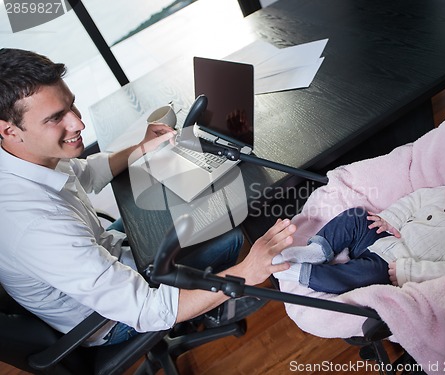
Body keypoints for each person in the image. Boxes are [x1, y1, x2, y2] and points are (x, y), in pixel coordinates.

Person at [0, 48, 295, 346]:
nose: (78, 124)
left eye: (71, 106)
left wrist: (141, 147)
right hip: (108, 321)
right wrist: (247, 272)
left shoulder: (26, 156)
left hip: (103, 256)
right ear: (9, 130)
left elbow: (86, 173)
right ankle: (210, 312)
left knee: (199, 207)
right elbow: (147, 310)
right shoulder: (37, 224)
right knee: (227, 237)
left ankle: (205, 296)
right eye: (56, 118)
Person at [273, 136, 445, 294]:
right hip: (386, 237)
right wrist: (389, 219)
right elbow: (415, 199)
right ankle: (317, 250)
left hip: (394, 265)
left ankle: (305, 274)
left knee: (364, 275)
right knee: (356, 217)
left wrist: (408, 271)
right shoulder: (443, 195)